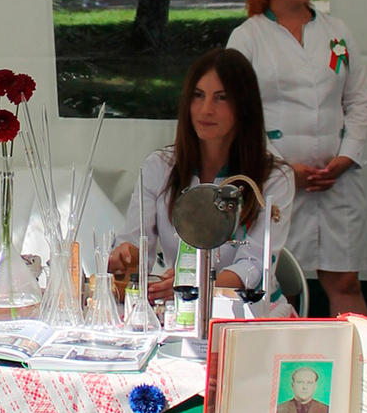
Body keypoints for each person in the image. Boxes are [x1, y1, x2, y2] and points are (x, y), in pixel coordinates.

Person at [228, 0, 367, 317]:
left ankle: (358, 354)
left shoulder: (336, 32)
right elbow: (238, 113)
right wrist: (283, 169)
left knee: (345, 280)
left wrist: (346, 157)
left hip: (336, 182)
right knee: (275, 280)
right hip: (275, 184)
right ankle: (285, 349)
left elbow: (359, 99)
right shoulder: (248, 38)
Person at [110, 48, 295, 307]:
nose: (206, 109)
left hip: (250, 313)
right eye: (198, 96)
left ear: (245, 106)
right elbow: (135, 242)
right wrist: (125, 257)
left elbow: (254, 265)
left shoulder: (274, 177)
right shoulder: (160, 167)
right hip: (181, 309)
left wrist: (196, 284)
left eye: (221, 98)